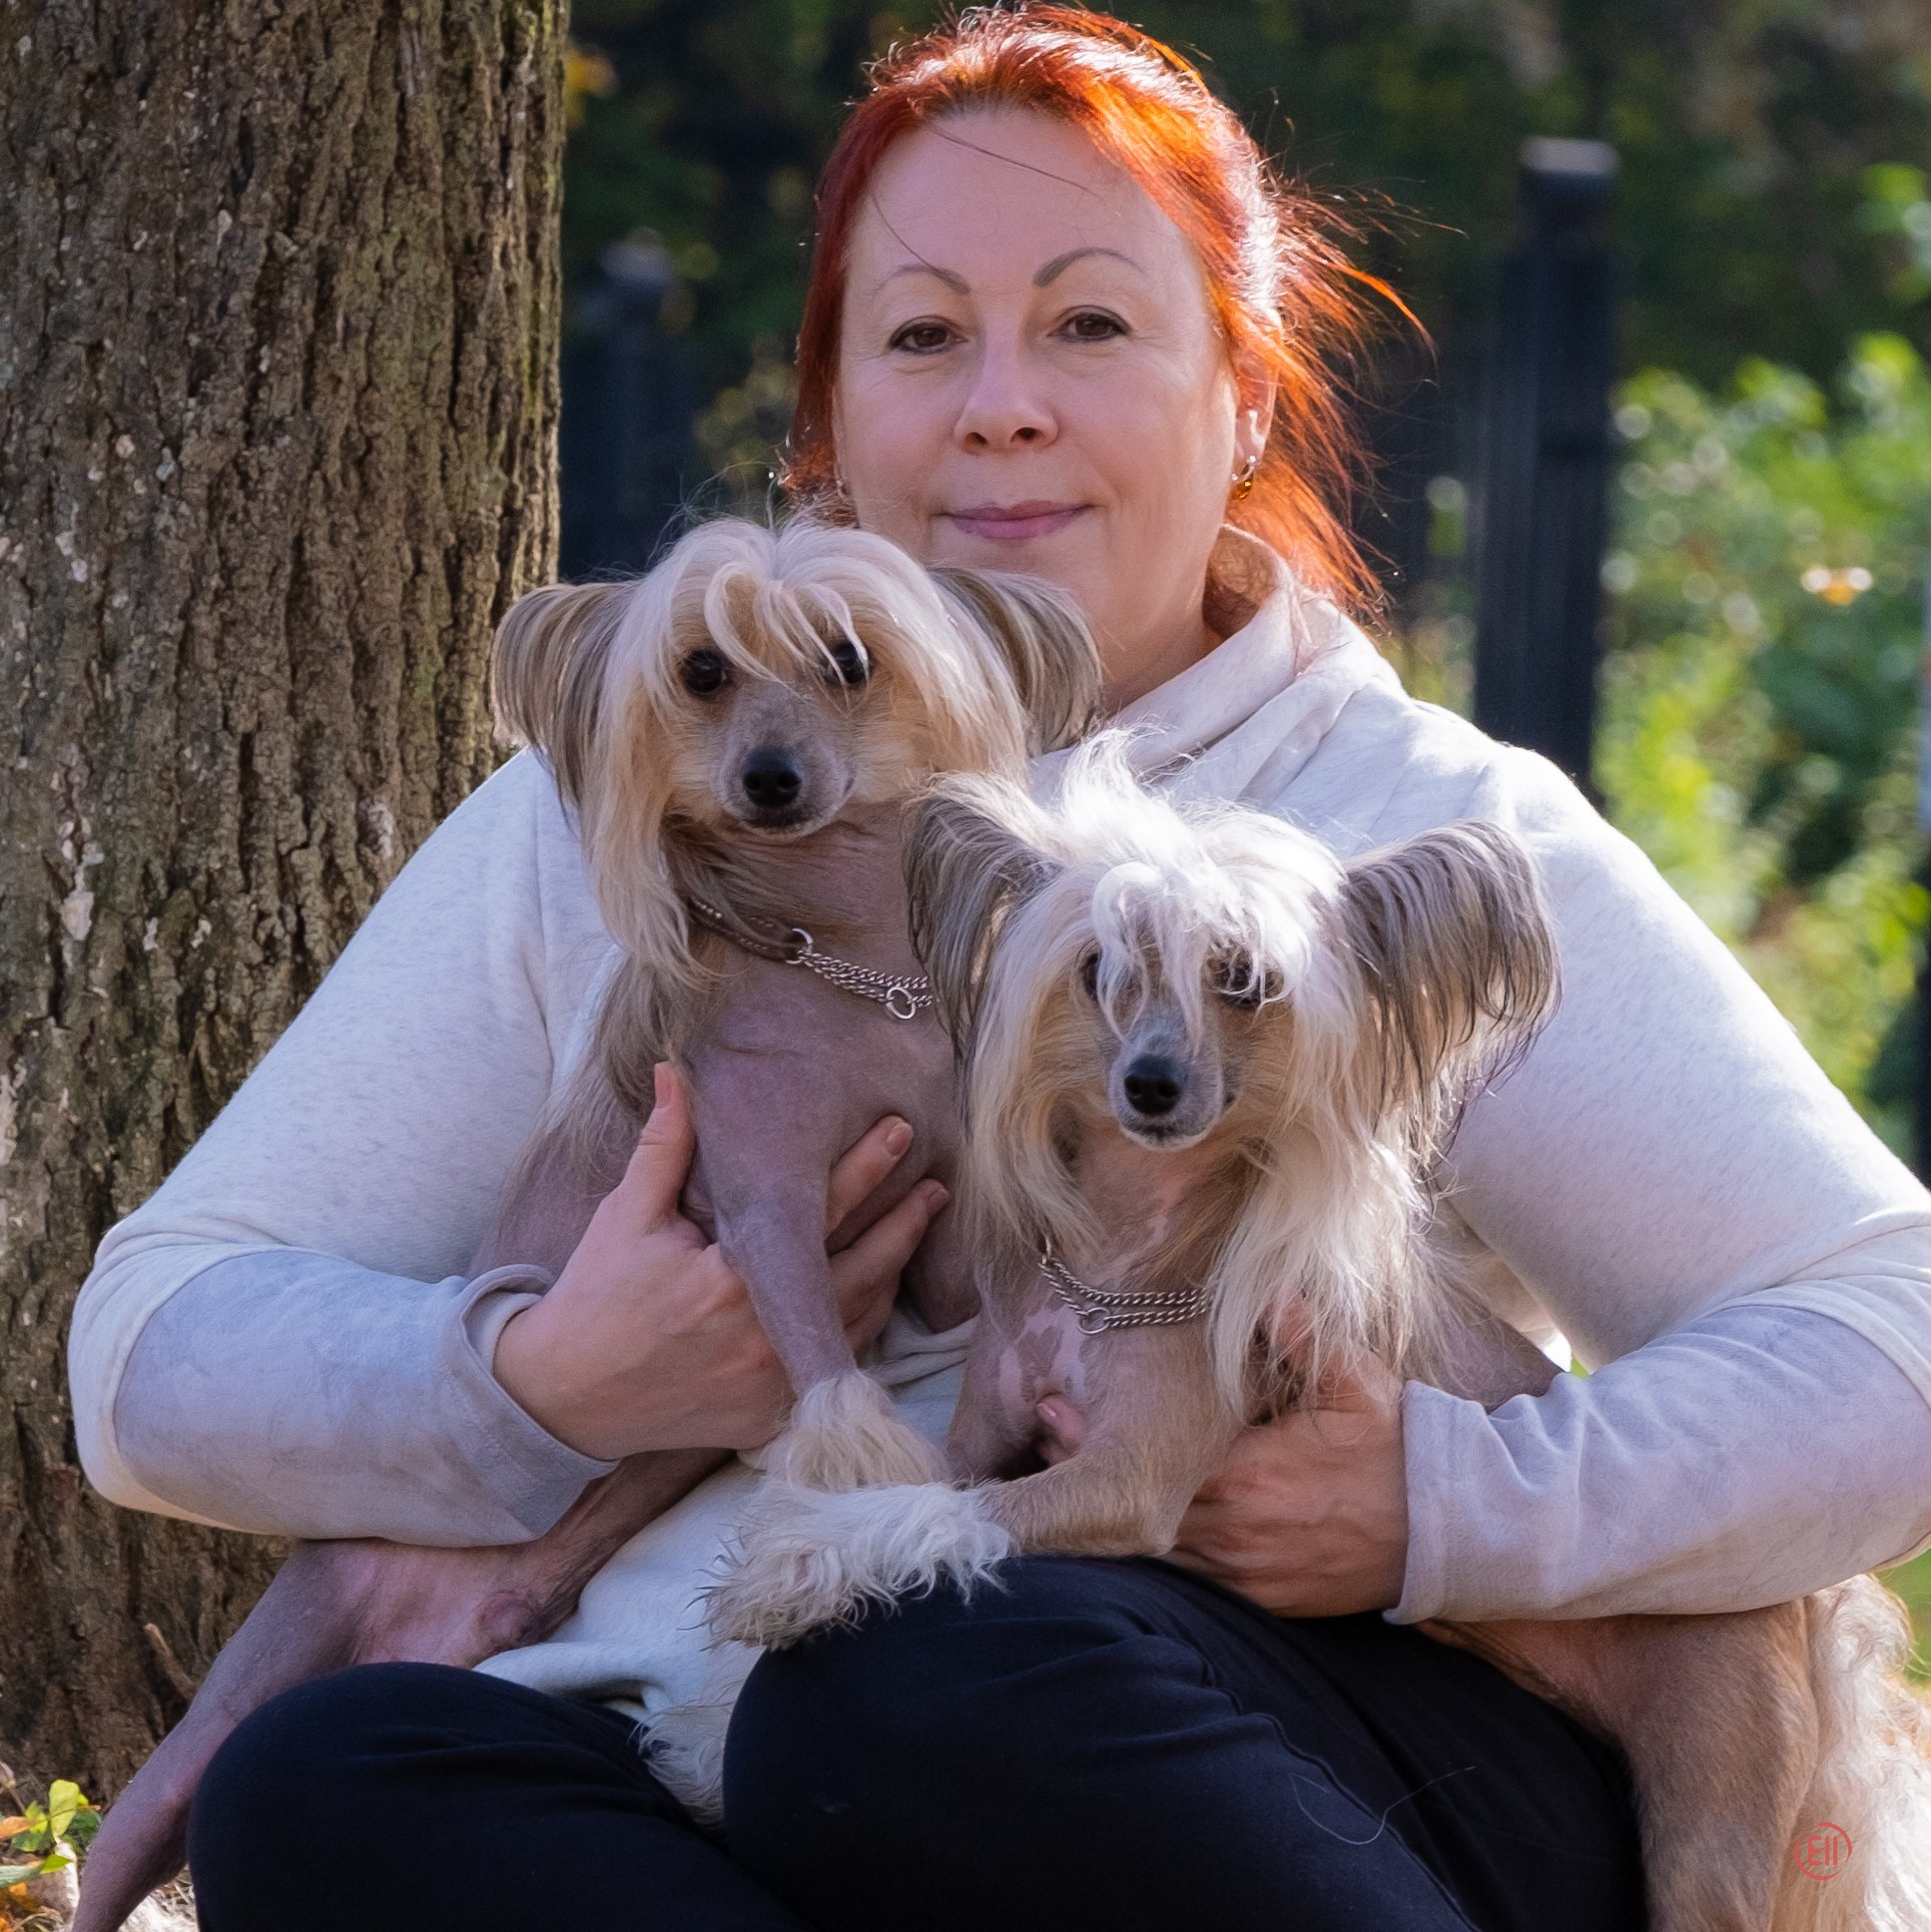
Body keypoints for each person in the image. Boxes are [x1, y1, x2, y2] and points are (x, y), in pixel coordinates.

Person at [70, 10, 1931, 1929]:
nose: (1002, 405)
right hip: (699, 1766)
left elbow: (1892, 1337)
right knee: (324, 1790)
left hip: (1271, 1752)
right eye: (923, 334)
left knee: (914, 1680)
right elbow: (154, 1362)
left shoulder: (1397, 823)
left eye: (1090, 325)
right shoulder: (650, 804)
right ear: (832, 425)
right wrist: (544, 1382)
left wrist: (1446, 1510)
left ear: (1248, 393)